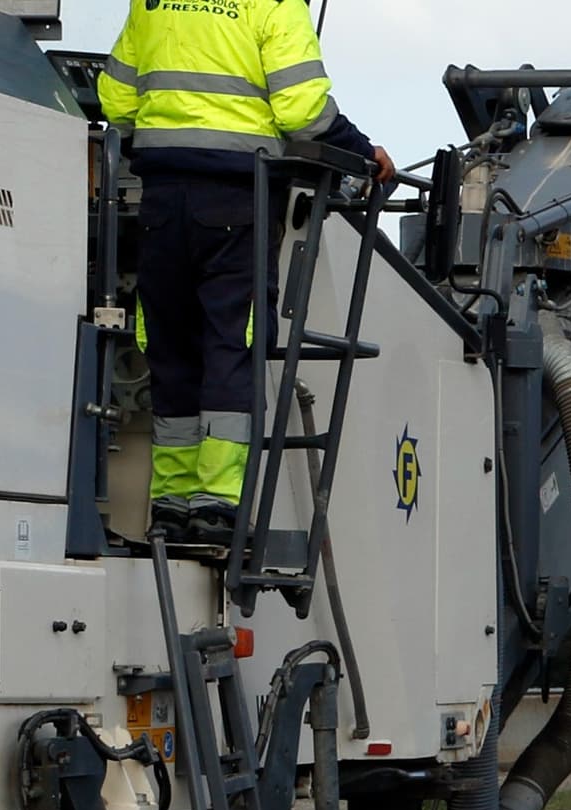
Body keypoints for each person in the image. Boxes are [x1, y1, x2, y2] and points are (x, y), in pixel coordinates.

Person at [97, 0, 393, 546]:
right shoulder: (274, 5)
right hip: (238, 202)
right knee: (233, 346)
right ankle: (215, 506)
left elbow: (115, 99)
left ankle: (170, 504)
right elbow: (303, 110)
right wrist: (361, 150)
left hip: (161, 204)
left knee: (172, 348)